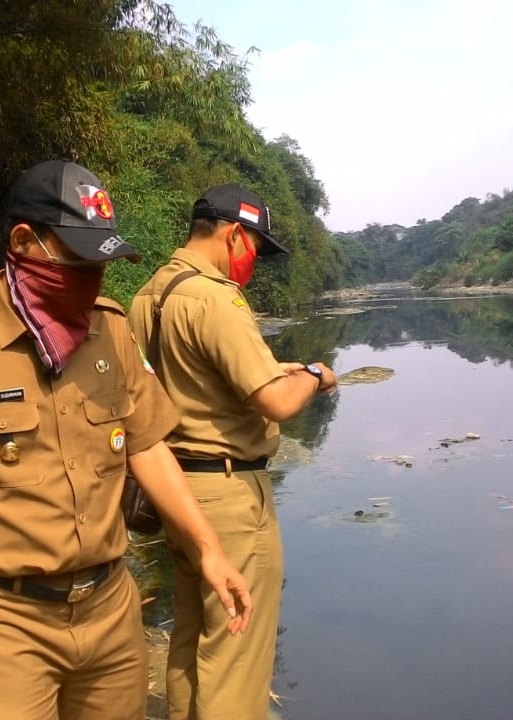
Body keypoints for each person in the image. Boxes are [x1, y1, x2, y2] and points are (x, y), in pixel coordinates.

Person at [0, 160, 254, 720]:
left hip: (110, 607)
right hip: (6, 620)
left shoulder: (110, 328)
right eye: (78, 259)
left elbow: (146, 446)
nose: (93, 277)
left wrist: (208, 549)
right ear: (24, 241)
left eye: (102, 261)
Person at [129, 184, 337, 720]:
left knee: (190, 634)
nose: (254, 262)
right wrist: (313, 375)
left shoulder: (149, 294)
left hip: (172, 489)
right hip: (229, 497)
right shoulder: (216, 296)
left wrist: (278, 368)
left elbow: (188, 379)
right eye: (256, 249)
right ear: (235, 234)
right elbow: (274, 401)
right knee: (236, 651)